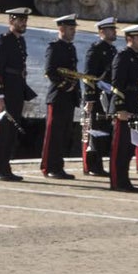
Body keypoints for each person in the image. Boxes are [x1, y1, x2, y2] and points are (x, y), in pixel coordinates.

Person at [0, 6, 37, 181]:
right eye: (20, 20)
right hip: (6, 91)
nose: (23, 23)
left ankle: (6, 166)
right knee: (1, 131)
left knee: (11, 131)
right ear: (11, 21)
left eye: (25, 20)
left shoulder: (20, 41)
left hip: (17, 90)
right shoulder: (3, 42)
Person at [41, 14, 80, 180]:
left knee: (64, 133)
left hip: (69, 97)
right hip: (58, 96)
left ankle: (58, 166)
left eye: (74, 29)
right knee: (53, 134)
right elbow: (50, 71)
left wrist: (74, 89)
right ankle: (49, 166)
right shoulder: (54, 47)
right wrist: (66, 86)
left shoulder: (71, 48)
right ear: (61, 29)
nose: (73, 32)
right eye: (71, 29)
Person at [108, 24, 138, 193]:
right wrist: (119, 107)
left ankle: (124, 179)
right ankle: (117, 181)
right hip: (124, 107)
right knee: (120, 147)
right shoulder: (123, 56)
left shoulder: (137, 57)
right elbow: (117, 85)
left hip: (134, 105)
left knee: (129, 147)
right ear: (130, 39)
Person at [81, 16, 117, 177]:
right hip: (96, 96)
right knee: (94, 131)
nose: (114, 32)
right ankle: (92, 165)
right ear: (102, 32)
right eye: (111, 30)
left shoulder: (112, 50)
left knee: (103, 130)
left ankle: (98, 163)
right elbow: (88, 75)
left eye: (114, 29)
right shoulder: (96, 49)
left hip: (108, 96)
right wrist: (89, 98)